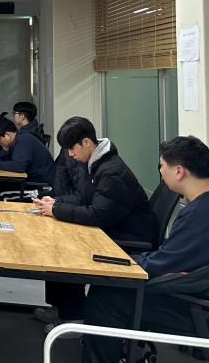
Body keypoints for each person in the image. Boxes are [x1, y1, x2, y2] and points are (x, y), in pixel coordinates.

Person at [82, 136, 209, 363]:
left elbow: (161, 266)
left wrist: (120, 261)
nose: (160, 171)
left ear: (179, 171)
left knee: (107, 294)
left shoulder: (200, 214)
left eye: (162, 165)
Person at [32, 117, 157, 329]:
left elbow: (98, 214)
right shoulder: (96, 163)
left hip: (126, 238)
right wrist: (56, 203)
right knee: (59, 239)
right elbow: (85, 197)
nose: (70, 155)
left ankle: (73, 317)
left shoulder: (111, 171)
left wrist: (57, 210)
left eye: (72, 149)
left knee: (65, 248)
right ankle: (61, 307)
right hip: (112, 228)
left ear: (87, 143)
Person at [0, 113, 55, 185]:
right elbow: (11, 156)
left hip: (41, 185)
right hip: (34, 180)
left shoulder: (23, 140)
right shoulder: (20, 137)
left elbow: (19, 166)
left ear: (7, 134)